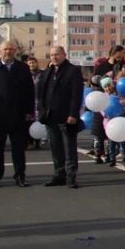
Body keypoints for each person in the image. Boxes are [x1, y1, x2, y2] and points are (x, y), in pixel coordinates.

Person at [0, 40, 35, 188]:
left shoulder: (23, 68)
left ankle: (20, 176)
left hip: (18, 115)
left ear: (15, 51)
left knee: (18, 149)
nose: (8, 52)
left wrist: (29, 112)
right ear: (0, 51)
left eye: (11, 49)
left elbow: (29, 91)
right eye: (5, 49)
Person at [37, 45, 83, 188]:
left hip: (67, 116)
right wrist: (42, 111)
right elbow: (41, 94)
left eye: (57, 54)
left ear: (64, 54)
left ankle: (71, 177)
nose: (54, 57)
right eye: (51, 55)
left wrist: (73, 114)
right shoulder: (47, 72)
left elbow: (77, 94)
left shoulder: (73, 70)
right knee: (55, 147)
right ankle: (59, 174)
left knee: (69, 148)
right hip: (50, 117)